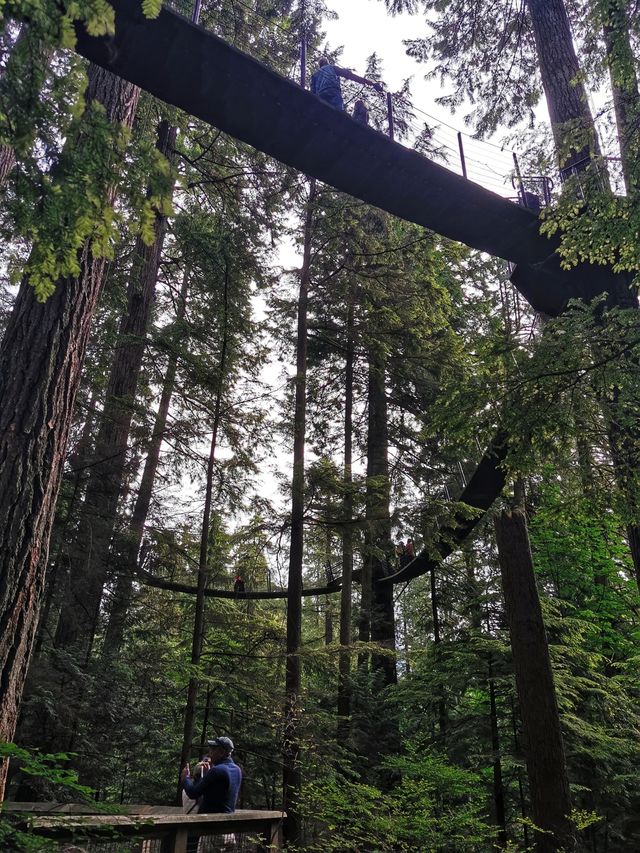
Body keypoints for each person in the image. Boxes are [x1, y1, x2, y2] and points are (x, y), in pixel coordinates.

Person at [181, 736, 242, 815]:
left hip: (209, 822)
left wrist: (186, 778)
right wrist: (206, 774)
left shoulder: (216, 770)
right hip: (227, 820)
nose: (210, 753)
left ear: (221, 752)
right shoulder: (237, 770)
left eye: (213, 749)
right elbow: (217, 793)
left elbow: (193, 793)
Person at [310, 56, 383, 111]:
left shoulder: (315, 75)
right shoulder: (332, 68)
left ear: (320, 65)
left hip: (320, 94)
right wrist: (368, 82)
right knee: (338, 113)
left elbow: (312, 92)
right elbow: (350, 75)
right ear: (327, 63)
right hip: (333, 91)